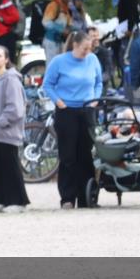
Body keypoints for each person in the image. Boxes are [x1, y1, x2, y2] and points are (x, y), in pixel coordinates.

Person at [42, 30, 103, 209]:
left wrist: (95, 99)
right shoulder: (59, 61)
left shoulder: (92, 60)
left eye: (90, 48)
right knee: (68, 155)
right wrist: (59, 102)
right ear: (75, 46)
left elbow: (99, 82)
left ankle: (87, 197)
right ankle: (67, 198)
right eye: (84, 48)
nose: (87, 52)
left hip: (87, 109)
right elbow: (48, 84)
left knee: (86, 155)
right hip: (66, 110)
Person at [0, 45, 30, 213]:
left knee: (10, 167)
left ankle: (17, 201)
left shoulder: (11, 79)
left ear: (6, 59)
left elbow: (16, 107)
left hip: (6, 131)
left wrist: (1, 121)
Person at [108, 0, 140, 88]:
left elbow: (132, 12)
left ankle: (130, 83)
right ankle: (126, 82)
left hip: (129, 30)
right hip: (124, 29)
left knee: (127, 57)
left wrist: (129, 29)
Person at [41, 0, 72, 64]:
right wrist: (61, 29)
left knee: (60, 64)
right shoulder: (53, 5)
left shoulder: (66, 8)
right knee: (52, 64)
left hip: (60, 41)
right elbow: (46, 22)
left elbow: (69, 24)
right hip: (51, 41)